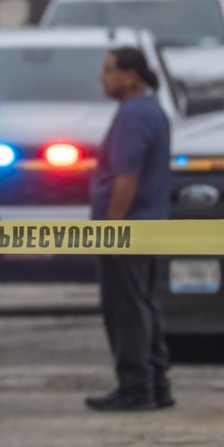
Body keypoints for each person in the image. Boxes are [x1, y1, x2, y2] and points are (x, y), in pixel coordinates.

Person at [86, 46, 173, 412]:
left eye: (108, 70)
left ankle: (136, 387)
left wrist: (111, 226)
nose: (101, 77)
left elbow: (126, 178)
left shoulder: (133, 116)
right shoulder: (152, 109)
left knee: (125, 308)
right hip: (150, 224)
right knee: (143, 304)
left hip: (129, 227)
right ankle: (157, 383)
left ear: (130, 76)